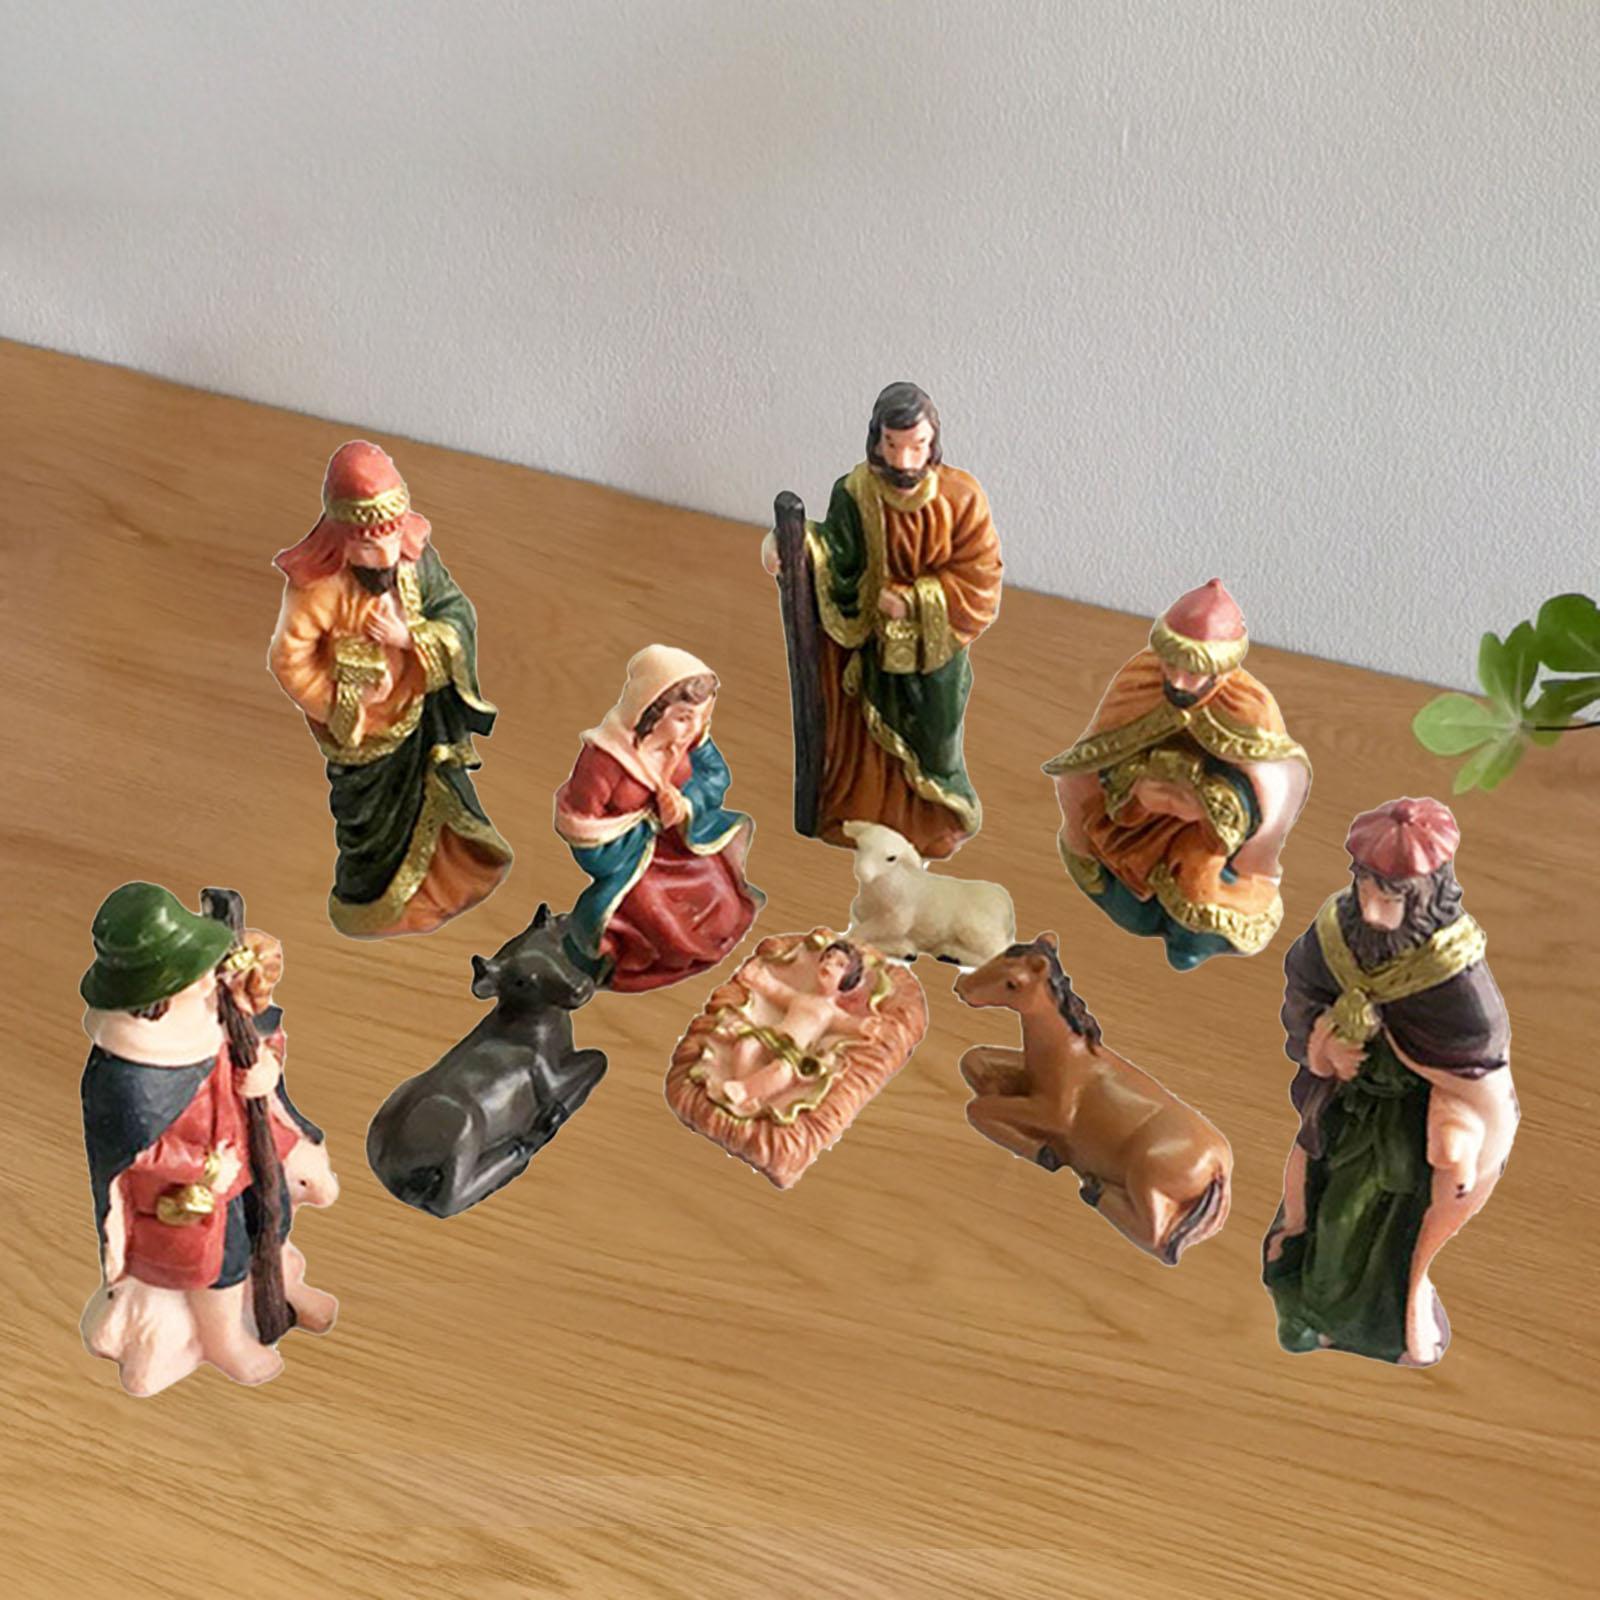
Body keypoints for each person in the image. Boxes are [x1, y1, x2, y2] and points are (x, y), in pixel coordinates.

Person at [1262, 799, 1517, 1366]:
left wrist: (1456, 1122)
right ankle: (1310, 1296)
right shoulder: (1336, 935)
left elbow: (1477, 1064)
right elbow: (1303, 994)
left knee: (1349, 1216)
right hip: (1344, 1105)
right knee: (1316, 1194)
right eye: (1366, 890)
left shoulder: (1452, 974)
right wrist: (1323, 1045)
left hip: (1400, 1130)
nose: (1374, 913)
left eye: (1392, 899)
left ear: (1425, 897)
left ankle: (1324, 1314)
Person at [78, 883, 334, 1392]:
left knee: (272, 1218)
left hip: (247, 1150)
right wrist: (204, 1169)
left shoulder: (207, 1010)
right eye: (191, 972)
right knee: (224, 1257)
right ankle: (223, 1337)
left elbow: (254, 1037)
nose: (206, 978)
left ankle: (283, 1283)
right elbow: (136, 1150)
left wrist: (265, 1069)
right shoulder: (129, 1074)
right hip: (189, 1195)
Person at [269, 440, 513, 937]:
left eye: (392, 540)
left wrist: (410, 637)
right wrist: (346, 702)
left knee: (434, 798)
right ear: (342, 541)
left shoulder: (415, 561)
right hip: (360, 733)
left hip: (418, 715)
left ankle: (440, 888)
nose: (384, 558)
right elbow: (289, 659)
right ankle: (371, 906)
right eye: (368, 547)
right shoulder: (318, 589)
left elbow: (456, 613)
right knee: (367, 822)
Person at [764, 382, 1003, 860]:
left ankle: (933, 818)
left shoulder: (961, 497)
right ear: (876, 440)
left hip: (934, 655)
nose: (904, 461)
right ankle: (866, 813)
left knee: (935, 740)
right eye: (893, 446)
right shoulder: (857, 491)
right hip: (873, 645)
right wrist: (791, 545)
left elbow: (982, 578)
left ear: (933, 443)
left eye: (917, 446)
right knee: (864, 732)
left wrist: (915, 601)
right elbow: (838, 552)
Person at [1045, 579, 1311, 969]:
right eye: (1171, 665)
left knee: (1199, 886)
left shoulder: (1248, 710)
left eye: (1193, 672)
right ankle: (1135, 908)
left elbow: (1268, 791)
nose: (1178, 681)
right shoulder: (1141, 681)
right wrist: (1134, 787)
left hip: (1209, 833)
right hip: (1136, 817)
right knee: (1127, 892)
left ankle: (1191, 940)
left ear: (1220, 669)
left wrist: (1208, 805)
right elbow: (1099, 754)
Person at [554, 645, 764, 992]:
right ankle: (640, 958)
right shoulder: (606, 760)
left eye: (702, 716)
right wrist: (645, 826)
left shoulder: (690, 739)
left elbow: (715, 775)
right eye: (683, 718)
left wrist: (685, 808)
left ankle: (705, 943)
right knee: (663, 919)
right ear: (650, 710)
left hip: (678, 845)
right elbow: (583, 828)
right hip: (629, 861)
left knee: (723, 902)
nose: (693, 728)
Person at [715, 941, 874, 1115]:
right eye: (828, 957)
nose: (829, 963)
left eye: (840, 964)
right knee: (745, 1045)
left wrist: (865, 1026)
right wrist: (759, 979)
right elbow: (777, 991)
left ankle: (746, 1090)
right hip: (774, 1035)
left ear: (848, 980)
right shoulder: (801, 997)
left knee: (781, 1073)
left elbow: (848, 1022)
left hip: (793, 1051)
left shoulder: (831, 1013)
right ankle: (745, 1089)